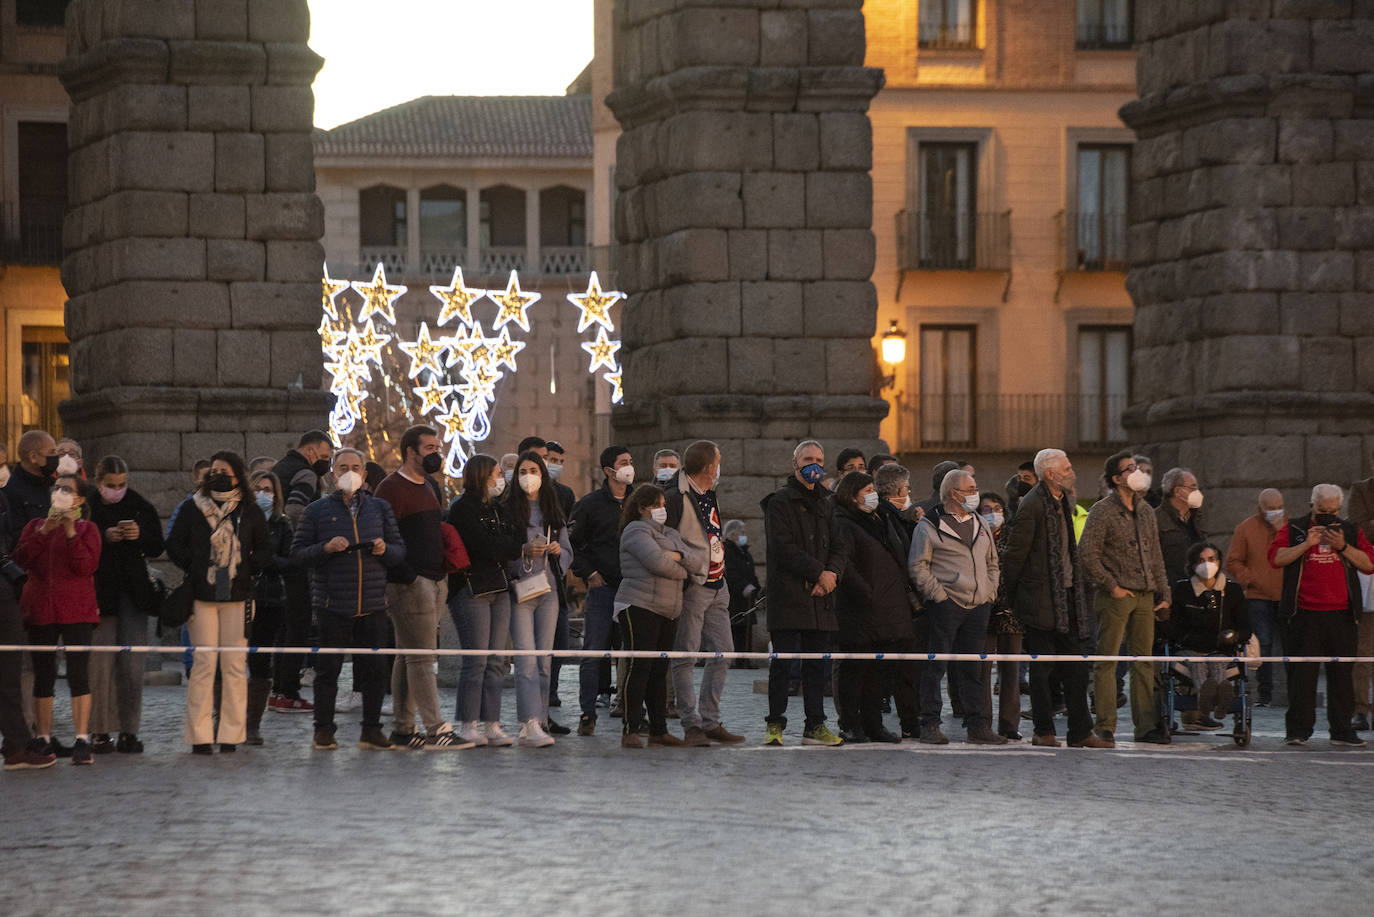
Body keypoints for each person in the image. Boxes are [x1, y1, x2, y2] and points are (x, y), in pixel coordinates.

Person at [293, 448, 410, 752]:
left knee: (374, 670)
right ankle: (323, 730)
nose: (349, 472)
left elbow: (399, 551)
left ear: (364, 474)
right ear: (333, 472)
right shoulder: (316, 510)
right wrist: (325, 548)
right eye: (343, 466)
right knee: (328, 670)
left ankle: (371, 730)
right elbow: (299, 554)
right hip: (333, 603)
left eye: (355, 467)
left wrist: (386, 550)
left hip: (372, 603)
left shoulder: (379, 509)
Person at [165, 451, 270, 754]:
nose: (217, 475)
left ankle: (231, 734)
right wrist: (196, 565)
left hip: (237, 596)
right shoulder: (190, 508)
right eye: (213, 471)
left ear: (237, 475)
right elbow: (173, 544)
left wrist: (247, 568)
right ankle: (199, 736)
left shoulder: (250, 511)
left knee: (235, 666)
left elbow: (265, 550)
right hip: (202, 594)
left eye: (224, 471)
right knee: (204, 664)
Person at [1002, 449, 1107, 748]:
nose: (1072, 471)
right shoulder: (1033, 505)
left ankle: (1080, 731)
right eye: (1067, 467)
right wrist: (1014, 599)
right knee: (1042, 670)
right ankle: (1044, 731)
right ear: (1050, 474)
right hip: (1040, 603)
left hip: (1067, 600)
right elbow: (1015, 556)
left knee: (1075, 668)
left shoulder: (1062, 502)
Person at [375, 425, 466, 749]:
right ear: (410, 451)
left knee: (408, 656)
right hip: (410, 583)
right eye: (429, 447)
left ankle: (402, 728)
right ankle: (435, 729)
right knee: (423, 659)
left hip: (435, 579)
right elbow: (382, 537)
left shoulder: (429, 485)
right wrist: (408, 575)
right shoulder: (390, 488)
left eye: (436, 446)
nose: (435, 452)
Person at [1268, 483, 1374, 747]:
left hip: (1342, 615)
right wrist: (1307, 544)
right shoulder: (1294, 528)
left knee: (1341, 676)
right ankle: (1298, 730)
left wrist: (1343, 547)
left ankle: (1342, 729)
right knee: (1302, 675)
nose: (1327, 514)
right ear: (1311, 504)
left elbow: (1369, 564)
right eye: (1322, 509)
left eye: (1332, 510)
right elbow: (1277, 558)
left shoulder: (1349, 530)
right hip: (1303, 614)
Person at [908, 468, 1007, 745]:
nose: (976, 494)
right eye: (971, 489)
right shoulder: (929, 525)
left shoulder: (980, 523)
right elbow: (918, 565)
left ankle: (978, 726)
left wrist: (989, 591)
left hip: (979, 605)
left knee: (972, 669)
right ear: (954, 493)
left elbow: (992, 562)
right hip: (946, 605)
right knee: (935, 666)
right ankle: (930, 724)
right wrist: (939, 595)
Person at [1080, 451, 1171, 745]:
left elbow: (1156, 555)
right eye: (1129, 468)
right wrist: (1111, 585)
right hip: (1116, 596)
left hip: (1145, 596)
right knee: (1107, 660)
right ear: (1117, 479)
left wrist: (1164, 592)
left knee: (1144, 661)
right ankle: (1105, 724)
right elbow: (1087, 554)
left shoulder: (1146, 511)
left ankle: (1145, 726)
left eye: (1137, 467)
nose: (1136, 472)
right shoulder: (1102, 510)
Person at [762, 440, 846, 747]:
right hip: (789, 594)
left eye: (819, 459)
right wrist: (817, 573)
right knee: (782, 664)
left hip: (822, 595)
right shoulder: (778, 502)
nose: (814, 464)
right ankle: (775, 724)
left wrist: (832, 574)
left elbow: (840, 545)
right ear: (795, 464)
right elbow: (782, 547)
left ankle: (815, 726)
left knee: (816, 664)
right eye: (808, 459)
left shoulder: (829, 502)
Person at [16, 473, 101, 765]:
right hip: (41, 609)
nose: (61, 492)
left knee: (78, 674)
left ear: (79, 499)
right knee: (44, 675)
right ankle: (44, 737)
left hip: (77, 610)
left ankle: (81, 738)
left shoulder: (88, 529)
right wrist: (44, 531)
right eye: (57, 488)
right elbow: (22, 559)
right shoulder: (34, 526)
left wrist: (69, 532)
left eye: (67, 489)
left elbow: (86, 566)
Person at [664, 440, 744, 745]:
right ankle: (691, 724)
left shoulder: (710, 493)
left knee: (724, 653)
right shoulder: (675, 497)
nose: (720, 466)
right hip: (694, 585)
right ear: (710, 467)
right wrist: (686, 570)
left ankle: (711, 720)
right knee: (685, 655)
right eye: (719, 461)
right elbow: (666, 540)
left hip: (717, 585)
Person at [614, 483, 704, 748]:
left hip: (668, 609)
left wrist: (677, 556)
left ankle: (658, 729)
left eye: (663, 504)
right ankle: (630, 728)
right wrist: (684, 570)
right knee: (639, 668)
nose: (662, 509)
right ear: (642, 508)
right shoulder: (635, 530)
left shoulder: (670, 533)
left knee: (658, 671)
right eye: (656, 505)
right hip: (639, 605)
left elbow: (698, 560)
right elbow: (658, 563)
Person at [87, 456, 163, 755]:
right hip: (98, 596)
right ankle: (100, 730)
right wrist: (102, 537)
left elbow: (157, 545)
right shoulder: (89, 506)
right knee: (100, 666)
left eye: (121, 485)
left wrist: (139, 536)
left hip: (133, 596)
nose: (116, 490)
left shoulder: (139, 505)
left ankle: (130, 731)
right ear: (98, 482)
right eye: (110, 485)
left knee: (132, 667)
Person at [446, 453, 522, 748]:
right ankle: (468, 723)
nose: (499, 480)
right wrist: (502, 546)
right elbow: (483, 546)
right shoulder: (462, 508)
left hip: (500, 587)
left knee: (496, 660)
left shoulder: (499, 509)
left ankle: (492, 722)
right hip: (471, 588)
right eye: (495, 474)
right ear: (481, 476)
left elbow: (513, 543)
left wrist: (502, 547)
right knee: (475, 659)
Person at [832, 471, 913, 744]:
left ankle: (873, 723)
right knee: (856, 670)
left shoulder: (879, 520)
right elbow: (847, 565)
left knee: (880, 673)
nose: (872, 494)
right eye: (866, 489)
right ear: (852, 495)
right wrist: (866, 592)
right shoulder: (844, 523)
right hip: (860, 608)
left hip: (887, 608)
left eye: (873, 488)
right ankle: (851, 724)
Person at [504, 450, 572, 747]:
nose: (528, 476)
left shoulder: (552, 511)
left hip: (549, 589)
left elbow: (569, 551)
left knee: (544, 658)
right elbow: (500, 551)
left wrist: (559, 552)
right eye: (523, 470)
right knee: (526, 659)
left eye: (534, 470)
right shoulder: (507, 510)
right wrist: (522, 551)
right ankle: (528, 721)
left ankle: (541, 717)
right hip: (520, 587)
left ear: (543, 476)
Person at [268, 430, 335, 715]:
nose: (326, 465)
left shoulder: (278, 469)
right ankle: (288, 691)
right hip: (295, 559)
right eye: (325, 458)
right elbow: (296, 511)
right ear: (310, 452)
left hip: (274, 557)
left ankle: (276, 689)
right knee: (297, 627)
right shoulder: (306, 475)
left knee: (281, 628)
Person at [568, 445, 633, 736]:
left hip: (633, 588)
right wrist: (589, 573)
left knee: (634, 653)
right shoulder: (590, 504)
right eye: (623, 463)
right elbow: (573, 544)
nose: (629, 467)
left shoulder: (637, 501)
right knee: (593, 652)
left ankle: (631, 708)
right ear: (609, 471)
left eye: (630, 462)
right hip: (603, 588)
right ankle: (587, 714)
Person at [1165, 542, 1250, 732]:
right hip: (1190, 647)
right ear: (1193, 565)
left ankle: (1213, 703)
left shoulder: (1232, 591)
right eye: (1201, 560)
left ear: (1219, 562)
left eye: (1211, 559)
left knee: (1217, 663)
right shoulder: (1183, 589)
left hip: (1220, 648)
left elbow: (1246, 628)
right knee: (1198, 663)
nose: (1207, 564)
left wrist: (1234, 636)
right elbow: (1174, 627)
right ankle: (1213, 704)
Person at [243, 470, 293, 746]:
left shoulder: (282, 525)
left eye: (269, 489)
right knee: (233, 660)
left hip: (270, 599)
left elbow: (289, 560)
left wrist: (264, 560)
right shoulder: (239, 520)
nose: (264, 493)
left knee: (261, 662)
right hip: (239, 598)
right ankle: (225, 718)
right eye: (259, 488)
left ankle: (253, 723)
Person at [1225, 489, 1287, 707]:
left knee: (1291, 643)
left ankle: (1292, 692)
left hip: (1286, 595)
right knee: (1264, 644)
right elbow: (1233, 561)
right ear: (1260, 509)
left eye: (1279, 506)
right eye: (1271, 508)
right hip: (1257, 595)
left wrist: (1282, 532)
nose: (1276, 512)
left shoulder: (1291, 528)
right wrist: (1248, 578)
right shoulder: (1246, 528)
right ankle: (1265, 694)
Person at [979, 491, 1025, 741]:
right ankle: (982, 721)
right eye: (987, 509)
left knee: (1011, 671)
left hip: (1011, 611)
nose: (993, 513)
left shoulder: (1014, 537)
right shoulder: (975, 535)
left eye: (997, 508)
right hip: (983, 610)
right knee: (982, 671)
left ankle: (1009, 724)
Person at [542, 439, 576, 718]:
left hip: (557, 575)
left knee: (559, 639)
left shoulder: (564, 494)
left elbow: (569, 534)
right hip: (531, 575)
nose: (556, 466)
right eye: (552, 459)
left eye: (560, 462)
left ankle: (551, 689)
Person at [1348, 452, 1374, 727]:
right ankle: (1361, 708)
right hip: (1368, 574)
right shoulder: (1360, 489)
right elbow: (1357, 526)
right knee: (1364, 649)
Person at [4, 429, 59, 537]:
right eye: (51, 452)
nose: (56, 457)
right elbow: (17, 537)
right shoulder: (11, 493)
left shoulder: (54, 485)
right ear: (33, 457)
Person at [1156, 467, 1205, 585]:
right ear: (1177, 491)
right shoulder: (1156, 519)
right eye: (1193, 488)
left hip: (1196, 587)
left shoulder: (1197, 519)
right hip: (1170, 589)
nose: (1197, 492)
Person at [723, 519, 760, 665]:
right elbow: (730, 573)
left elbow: (752, 574)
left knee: (746, 629)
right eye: (742, 533)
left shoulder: (745, 553)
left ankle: (744, 659)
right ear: (732, 534)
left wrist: (757, 590)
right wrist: (744, 586)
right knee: (734, 628)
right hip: (734, 597)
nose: (744, 536)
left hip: (746, 600)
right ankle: (736, 659)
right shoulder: (727, 550)